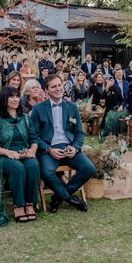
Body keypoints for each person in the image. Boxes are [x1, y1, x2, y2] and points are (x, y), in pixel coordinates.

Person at [31, 74, 94, 213]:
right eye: (53, 86)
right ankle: (70, 199)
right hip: (49, 150)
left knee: (89, 168)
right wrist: (48, 150)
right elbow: (34, 136)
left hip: (69, 148)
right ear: (46, 90)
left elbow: (79, 133)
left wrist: (75, 147)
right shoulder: (38, 109)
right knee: (46, 172)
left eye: (59, 85)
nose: (58, 88)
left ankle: (58, 197)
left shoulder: (72, 107)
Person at [0, 87, 40, 225]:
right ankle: (19, 205)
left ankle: (29, 203)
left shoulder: (25, 118)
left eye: (17, 96)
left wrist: (32, 151)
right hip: (2, 156)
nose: (16, 99)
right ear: (4, 99)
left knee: (33, 165)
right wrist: (9, 152)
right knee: (17, 167)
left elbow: (34, 139)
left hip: (24, 153)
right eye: (11, 97)